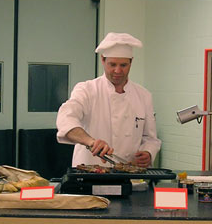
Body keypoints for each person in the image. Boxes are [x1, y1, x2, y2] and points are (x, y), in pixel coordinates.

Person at [56, 32, 161, 167]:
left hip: (130, 172)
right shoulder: (87, 90)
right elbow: (66, 118)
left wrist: (148, 153)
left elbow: (151, 139)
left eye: (123, 65)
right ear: (103, 60)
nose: (117, 70)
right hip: (90, 172)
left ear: (131, 62)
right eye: (112, 64)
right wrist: (91, 142)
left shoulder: (144, 95)